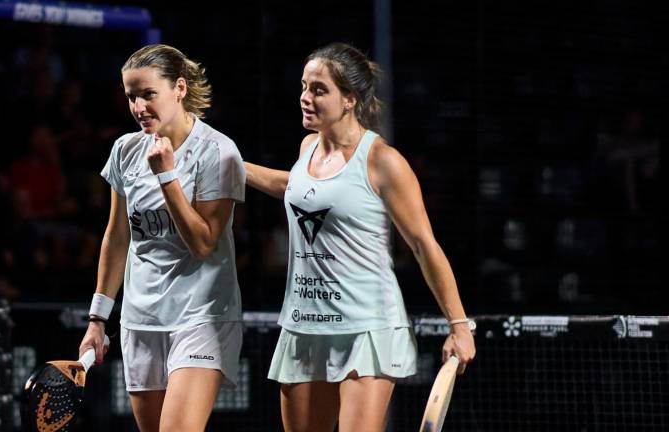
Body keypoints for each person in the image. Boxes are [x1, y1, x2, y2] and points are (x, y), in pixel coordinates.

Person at [244, 42, 476, 431]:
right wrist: (234, 164)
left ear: (349, 99)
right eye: (303, 86)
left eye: (319, 89)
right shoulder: (307, 149)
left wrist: (459, 326)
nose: (305, 97)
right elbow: (297, 188)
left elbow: (423, 245)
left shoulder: (382, 161)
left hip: (366, 328)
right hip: (305, 325)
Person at [78, 44, 245, 431]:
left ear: (180, 89)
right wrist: (97, 320)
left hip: (203, 317)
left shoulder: (219, 152)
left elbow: (203, 243)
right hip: (141, 320)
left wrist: (167, 177)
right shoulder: (125, 150)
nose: (138, 107)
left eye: (148, 94)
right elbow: (117, 237)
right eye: (131, 97)